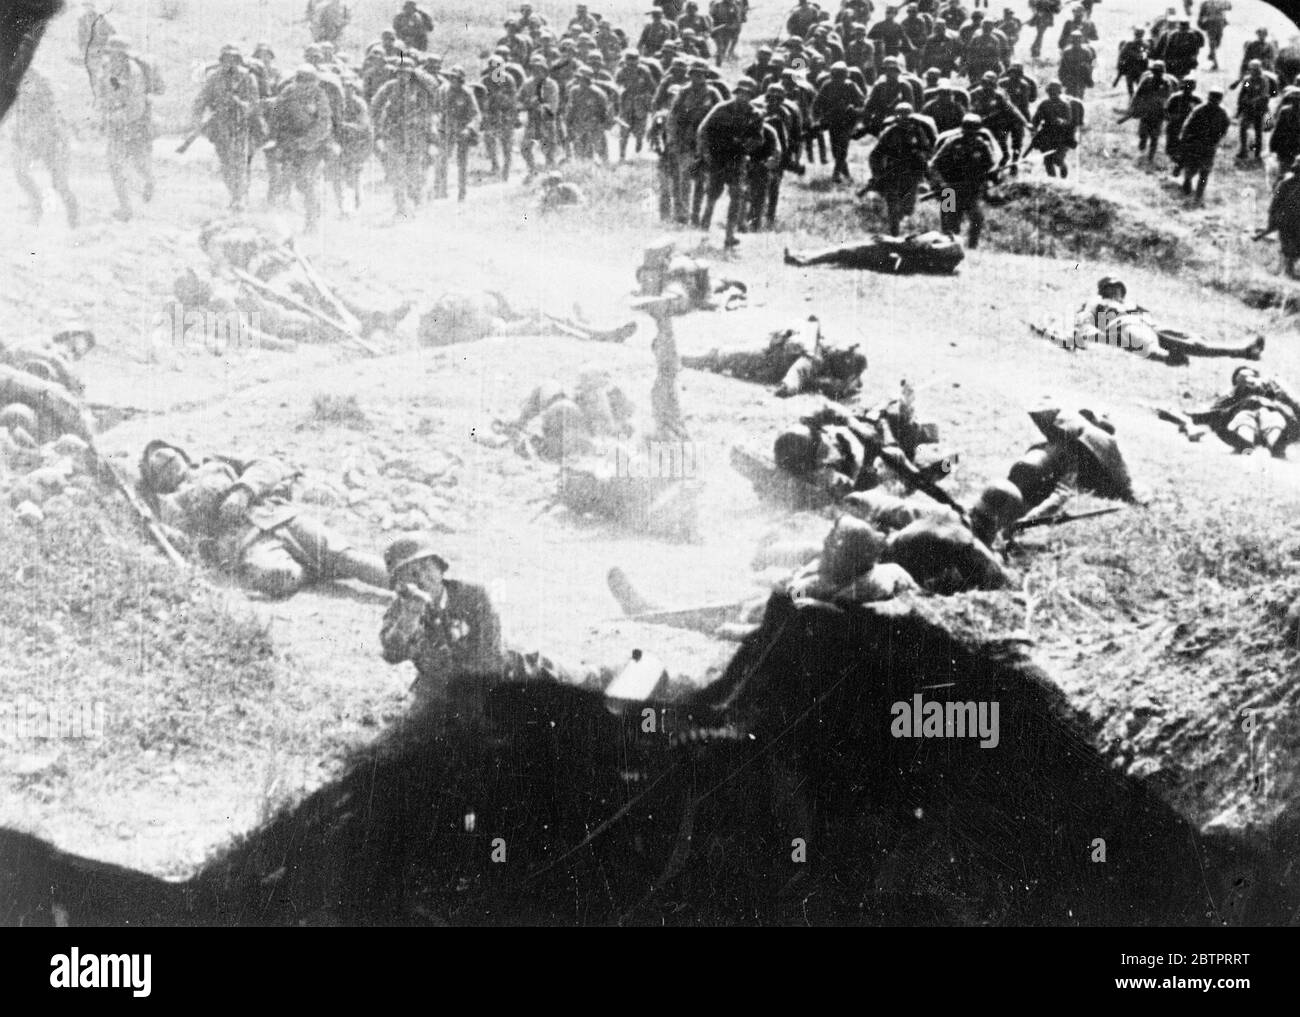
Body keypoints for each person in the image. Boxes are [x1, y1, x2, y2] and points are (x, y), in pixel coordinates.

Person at [138, 441, 390, 597]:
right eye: (159, 469)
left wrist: (243, 491)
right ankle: (315, 569)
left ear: (181, 454)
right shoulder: (170, 505)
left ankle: (418, 586)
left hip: (279, 517)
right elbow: (186, 541)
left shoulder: (215, 463)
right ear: (156, 482)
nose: (168, 465)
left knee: (351, 559)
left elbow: (268, 465)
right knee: (280, 576)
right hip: (246, 543)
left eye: (170, 457)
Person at [969, 405, 1136, 545]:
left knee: (996, 505)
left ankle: (976, 518)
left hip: (1015, 477)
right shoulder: (1074, 460)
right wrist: (1028, 520)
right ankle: (995, 536)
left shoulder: (1049, 440)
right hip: (1032, 492)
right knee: (1007, 522)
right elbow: (1059, 495)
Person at [379, 537, 505, 710]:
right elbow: (392, 654)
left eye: (425, 567)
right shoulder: (402, 609)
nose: (421, 579)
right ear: (401, 584)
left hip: (495, 680)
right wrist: (410, 616)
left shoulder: (474, 596)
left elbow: (490, 657)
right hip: (440, 686)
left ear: (440, 567)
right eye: (412, 574)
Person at [1040, 276, 1265, 364]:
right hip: (1123, 327)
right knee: (1141, 338)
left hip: (1150, 326)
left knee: (1195, 343)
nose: (1116, 291)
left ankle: (1243, 351)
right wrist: (1092, 334)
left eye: (1118, 288)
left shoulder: (1133, 305)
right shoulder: (1097, 302)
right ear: (1105, 290)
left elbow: (1149, 320)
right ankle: (1168, 358)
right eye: (1112, 288)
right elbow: (1084, 321)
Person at [683, 316, 867, 399]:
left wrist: (787, 387)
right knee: (727, 354)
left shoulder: (814, 358)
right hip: (772, 351)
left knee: (725, 355)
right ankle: (696, 358)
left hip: (766, 361)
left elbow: (797, 373)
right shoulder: (820, 352)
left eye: (842, 353)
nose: (837, 348)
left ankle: (690, 359)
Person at [1169, 366, 1300, 457]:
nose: (1247, 379)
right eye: (1241, 377)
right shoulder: (1232, 395)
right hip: (1245, 412)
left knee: (1274, 422)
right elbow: (1215, 410)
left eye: (1249, 375)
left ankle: (1276, 445)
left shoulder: (1270, 385)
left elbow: (1293, 400)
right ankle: (1245, 445)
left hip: (1271, 410)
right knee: (1243, 421)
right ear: (1236, 382)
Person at [191, 45, 261, 211]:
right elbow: (201, 100)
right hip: (221, 126)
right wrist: (197, 121)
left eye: (233, 59)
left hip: (242, 126)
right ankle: (234, 195)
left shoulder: (248, 78)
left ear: (238, 61)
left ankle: (240, 198)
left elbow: (254, 104)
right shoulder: (215, 78)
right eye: (226, 59)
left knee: (240, 163)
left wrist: (238, 103)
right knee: (226, 164)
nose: (230, 63)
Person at [371, 56, 441, 217]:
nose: (403, 76)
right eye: (400, 73)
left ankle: (416, 200)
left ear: (412, 74)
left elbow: (428, 110)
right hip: (395, 135)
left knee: (414, 172)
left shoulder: (420, 90)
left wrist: (420, 122)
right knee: (397, 172)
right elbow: (375, 105)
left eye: (406, 73)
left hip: (416, 136)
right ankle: (400, 207)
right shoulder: (389, 87)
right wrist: (379, 126)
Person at [266, 65, 334, 230]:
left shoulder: (319, 95)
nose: (305, 85)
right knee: (294, 180)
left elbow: (324, 123)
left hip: (315, 145)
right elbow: (277, 115)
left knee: (305, 179)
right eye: (302, 80)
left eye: (309, 81)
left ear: (315, 82)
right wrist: (278, 138)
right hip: (292, 143)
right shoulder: (288, 93)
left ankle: (312, 221)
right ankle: (311, 210)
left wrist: (307, 141)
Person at [95, 36, 156, 222]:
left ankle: (150, 182)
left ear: (124, 55)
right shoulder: (106, 70)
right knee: (114, 166)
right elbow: (102, 94)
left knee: (138, 163)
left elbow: (136, 103)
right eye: (111, 53)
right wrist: (104, 116)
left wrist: (121, 117)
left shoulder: (134, 72)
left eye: (117, 54)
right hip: (116, 125)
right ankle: (125, 208)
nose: (114, 57)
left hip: (136, 125)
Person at [9, 69, 78, 227]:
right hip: (32, 138)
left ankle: (73, 217)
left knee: (59, 184)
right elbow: (19, 111)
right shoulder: (16, 80)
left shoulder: (36, 81)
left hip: (50, 140)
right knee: (20, 172)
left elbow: (47, 113)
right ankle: (37, 204)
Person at [929, 112, 999, 248]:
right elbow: (933, 165)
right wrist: (941, 183)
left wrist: (988, 176)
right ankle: (946, 250)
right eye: (967, 131)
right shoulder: (952, 143)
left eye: (973, 132)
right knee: (949, 224)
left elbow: (991, 165)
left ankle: (972, 247)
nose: (970, 135)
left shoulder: (982, 145)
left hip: (971, 190)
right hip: (949, 190)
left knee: (977, 218)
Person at [867, 101, 936, 233]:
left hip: (912, 172)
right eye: (900, 116)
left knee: (908, 207)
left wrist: (920, 156)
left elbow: (928, 150)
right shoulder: (890, 132)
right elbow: (876, 154)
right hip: (893, 172)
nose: (903, 119)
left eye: (906, 116)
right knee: (893, 206)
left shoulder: (918, 131)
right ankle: (894, 233)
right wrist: (877, 172)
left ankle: (899, 221)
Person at [812, 62, 866, 183]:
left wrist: (852, 108)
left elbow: (861, 102)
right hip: (833, 122)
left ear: (846, 75)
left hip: (848, 121)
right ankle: (847, 175)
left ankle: (836, 174)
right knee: (836, 150)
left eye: (841, 75)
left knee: (842, 147)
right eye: (836, 75)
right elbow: (817, 103)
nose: (839, 78)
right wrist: (818, 119)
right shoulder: (827, 86)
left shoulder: (851, 85)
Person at [436, 65, 480, 201]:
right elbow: (435, 109)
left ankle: (462, 192)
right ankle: (441, 190)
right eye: (451, 78)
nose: (453, 80)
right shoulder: (442, 90)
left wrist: (469, 129)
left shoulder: (467, 93)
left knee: (462, 163)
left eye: (456, 78)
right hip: (445, 129)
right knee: (442, 159)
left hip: (461, 131)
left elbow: (476, 115)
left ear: (461, 79)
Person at [1177, 87, 1230, 202]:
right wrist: (1184, 139)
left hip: (1210, 145)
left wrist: (1218, 139)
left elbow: (1225, 127)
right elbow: (1188, 125)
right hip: (1196, 143)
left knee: (1205, 171)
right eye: (1212, 99)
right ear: (1208, 98)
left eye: (1217, 100)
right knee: (1192, 167)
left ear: (1220, 100)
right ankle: (1188, 181)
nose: (1214, 102)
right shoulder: (1199, 110)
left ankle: (1199, 195)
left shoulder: (1222, 113)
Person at [1029, 80, 1081, 177]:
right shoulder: (1044, 104)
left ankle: (1063, 177)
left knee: (1058, 160)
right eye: (1050, 92)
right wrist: (1033, 129)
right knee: (1047, 160)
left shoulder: (1065, 105)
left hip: (1062, 136)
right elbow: (1036, 119)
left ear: (1058, 92)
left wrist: (1061, 122)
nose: (1052, 94)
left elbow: (1069, 121)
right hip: (1047, 135)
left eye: (1054, 92)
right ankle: (1052, 180)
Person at [1126, 59, 1173, 163]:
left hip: (1158, 114)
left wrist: (1166, 111)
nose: (1156, 73)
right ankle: (1142, 147)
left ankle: (1151, 157)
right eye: (1155, 71)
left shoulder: (1166, 83)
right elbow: (1137, 94)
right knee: (1143, 133)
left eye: (1159, 71)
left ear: (1163, 72)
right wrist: (1133, 107)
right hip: (1146, 112)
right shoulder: (1147, 80)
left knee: (1154, 137)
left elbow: (1168, 98)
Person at [1234, 60, 1278, 162]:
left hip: (1260, 108)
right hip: (1248, 108)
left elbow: (1263, 95)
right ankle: (1243, 150)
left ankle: (1257, 153)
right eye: (1252, 70)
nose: (1254, 72)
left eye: (1256, 70)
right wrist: (1240, 104)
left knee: (1258, 130)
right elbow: (1243, 92)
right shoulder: (1248, 80)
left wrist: (1251, 100)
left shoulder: (1264, 80)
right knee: (1243, 128)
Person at [1266, 157, 1300, 278]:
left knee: (1290, 245)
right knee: (1290, 245)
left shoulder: (1285, 181)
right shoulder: (1286, 182)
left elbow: (1274, 204)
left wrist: (1271, 222)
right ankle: (1288, 269)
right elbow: (1275, 203)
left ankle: (1289, 269)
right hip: (1288, 220)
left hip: (1287, 219)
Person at [1164, 77, 1201, 175]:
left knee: (1185, 150)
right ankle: (1177, 164)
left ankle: (1179, 166)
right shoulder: (1175, 98)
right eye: (1186, 86)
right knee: (1170, 150)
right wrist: (1172, 117)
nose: (1187, 89)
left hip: (1189, 130)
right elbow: (1166, 112)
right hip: (1174, 127)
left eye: (1190, 87)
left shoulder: (1197, 100)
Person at [1114, 27, 1149, 97]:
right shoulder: (1131, 44)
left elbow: (1122, 55)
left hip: (1136, 69)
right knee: (1136, 87)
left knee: (1135, 87)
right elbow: (1123, 54)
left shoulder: (1143, 44)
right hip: (1134, 69)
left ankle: (1135, 100)